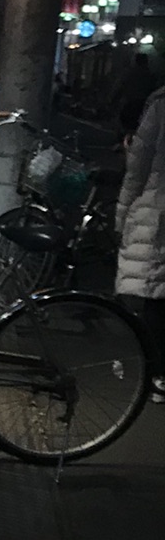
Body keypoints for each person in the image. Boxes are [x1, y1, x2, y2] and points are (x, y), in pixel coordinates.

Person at [115, 81, 165, 399]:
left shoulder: (160, 104)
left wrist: (122, 216)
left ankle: (157, 375)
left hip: (159, 212)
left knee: (156, 295)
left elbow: (138, 168)